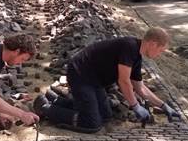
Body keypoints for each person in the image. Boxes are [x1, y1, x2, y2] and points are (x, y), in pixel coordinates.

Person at [34, 27, 180, 133]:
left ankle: (54, 99)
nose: (160, 54)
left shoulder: (136, 57)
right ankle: (46, 108)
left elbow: (140, 88)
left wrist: (163, 106)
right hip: (80, 74)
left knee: (106, 116)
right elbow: (124, 82)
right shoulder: (129, 47)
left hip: (95, 80)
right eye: (161, 50)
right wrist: (135, 106)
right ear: (153, 44)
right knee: (91, 124)